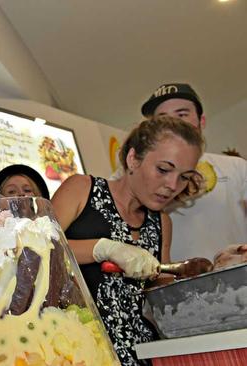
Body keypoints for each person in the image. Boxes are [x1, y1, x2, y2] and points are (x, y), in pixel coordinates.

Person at [51, 117, 204, 365]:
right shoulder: (82, 189)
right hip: (76, 349)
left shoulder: (162, 221)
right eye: (164, 170)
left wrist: (209, 277)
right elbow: (34, 249)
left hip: (142, 354)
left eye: (184, 177)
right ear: (133, 159)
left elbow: (161, 294)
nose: (172, 185)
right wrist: (104, 249)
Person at [140, 83, 247, 262]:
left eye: (182, 114)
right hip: (177, 283)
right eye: (163, 118)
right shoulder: (138, 173)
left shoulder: (236, 166)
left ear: (201, 121)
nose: (174, 124)